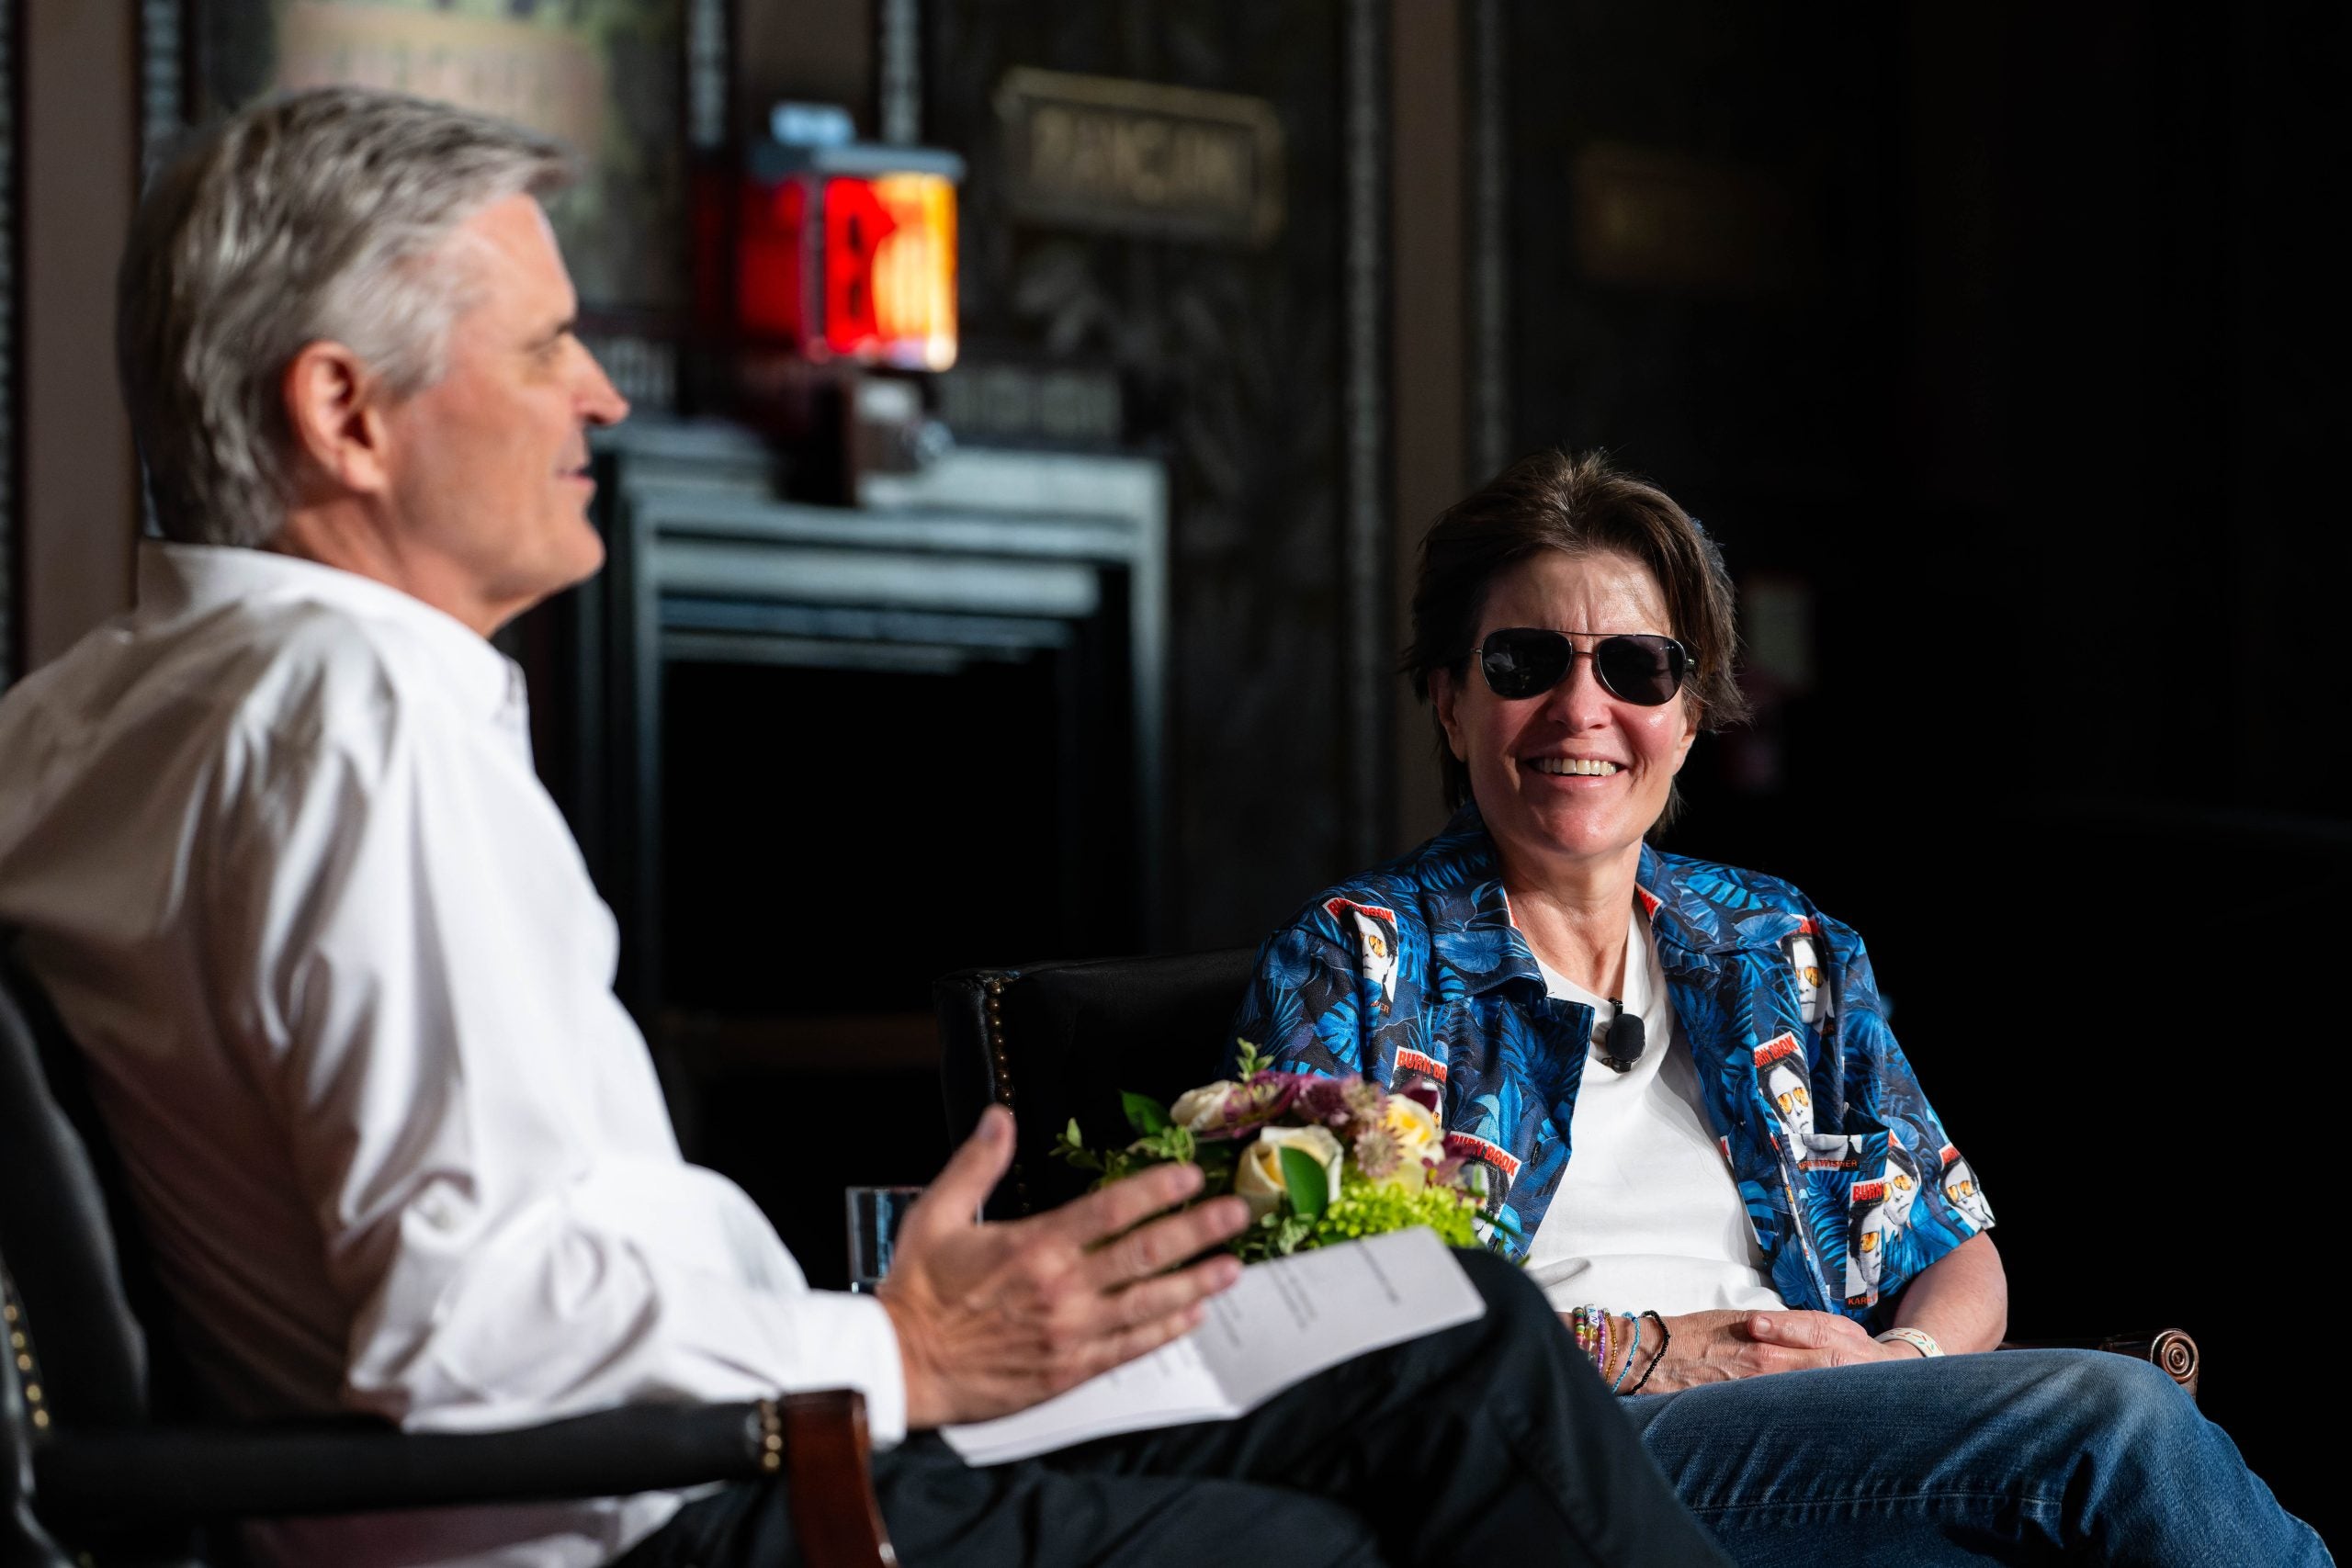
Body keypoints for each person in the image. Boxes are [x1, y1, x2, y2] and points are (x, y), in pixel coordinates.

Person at [0, 89, 1729, 1568]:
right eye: (542, 344)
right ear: (342, 411)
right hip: (681, 1502)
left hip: (693, 1441)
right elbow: (479, 1331)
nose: (601, 394)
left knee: (1436, 1315)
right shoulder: (357, 713)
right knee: (1404, 1445)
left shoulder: (79, 718)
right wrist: (909, 1340)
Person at [1235, 450, 2330, 1565]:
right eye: (1522, 663)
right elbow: (1328, 1318)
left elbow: (1955, 1249)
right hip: (1555, 1455)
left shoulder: (1776, 945)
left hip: (1818, 1437)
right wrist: (1657, 1350)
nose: (1580, 709)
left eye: (1634, 667)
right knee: (2118, 1420)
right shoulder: (1357, 961)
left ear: (1691, 708)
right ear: (1450, 699)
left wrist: (1896, 1368)